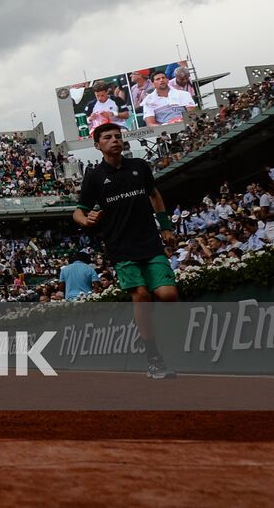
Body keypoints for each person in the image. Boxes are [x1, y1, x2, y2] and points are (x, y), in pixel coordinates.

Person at [72, 122, 179, 378]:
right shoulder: (94, 176)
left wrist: (165, 226)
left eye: (118, 136)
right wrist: (85, 220)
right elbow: (79, 210)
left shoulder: (140, 167)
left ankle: (146, 328)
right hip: (120, 246)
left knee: (168, 295)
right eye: (108, 138)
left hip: (150, 242)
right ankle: (153, 356)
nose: (114, 141)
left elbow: (155, 195)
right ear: (98, 145)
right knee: (141, 294)